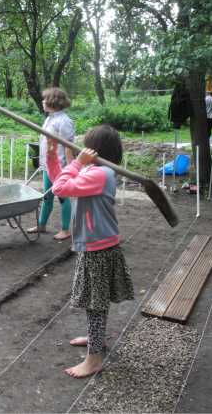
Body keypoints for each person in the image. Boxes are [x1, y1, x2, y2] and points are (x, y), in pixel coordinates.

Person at [46, 125, 134, 379]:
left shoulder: (100, 174)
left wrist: (74, 164)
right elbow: (59, 180)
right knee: (94, 299)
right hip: (95, 243)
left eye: (86, 144)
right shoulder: (94, 171)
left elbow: (60, 189)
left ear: (94, 149)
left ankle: (94, 358)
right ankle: (96, 339)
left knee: (95, 302)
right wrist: (55, 158)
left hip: (99, 247)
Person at [28, 87, 74, 241]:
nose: (42, 101)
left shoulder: (64, 121)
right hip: (48, 165)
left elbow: (68, 146)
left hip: (59, 167)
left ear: (53, 101)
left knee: (63, 197)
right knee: (47, 196)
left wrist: (70, 169)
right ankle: (41, 224)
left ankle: (66, 230)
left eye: (45, 98)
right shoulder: (50, 118)